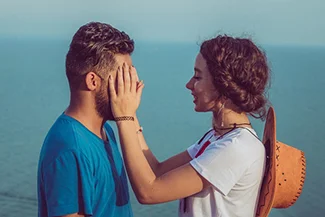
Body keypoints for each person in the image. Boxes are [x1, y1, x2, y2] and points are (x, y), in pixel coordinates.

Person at [107, 35, 270, 217]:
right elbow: (157, 171)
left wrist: (124, 117)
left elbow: (149, 192)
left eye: (198, 77)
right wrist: (131, 114)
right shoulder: (217, 137)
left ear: (223, 85)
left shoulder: (237, 148)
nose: (189, 84)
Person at [37, 22, 135, 217]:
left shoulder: (105, 131)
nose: (131, 86)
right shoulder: (69, 148)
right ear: (93, 81)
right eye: (123, 78)